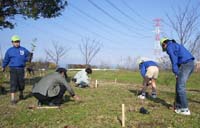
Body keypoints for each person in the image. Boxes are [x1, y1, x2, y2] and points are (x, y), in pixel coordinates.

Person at [160, 37, 195, 115]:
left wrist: (176, 72)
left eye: (164, 48)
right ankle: (178, 106)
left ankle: (185, 109)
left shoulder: (169, 47)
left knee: (180, 87)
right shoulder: (175, 45)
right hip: (191, 64)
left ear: (164, 44)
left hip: (185, 65)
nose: (165, 51)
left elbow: (174, 60)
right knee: (178, 85)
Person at [2, 35, 32, 105]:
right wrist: (3, 66)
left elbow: (28, 56)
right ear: (12, 42)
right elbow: (6, 59)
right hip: (13, 69)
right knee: (13, 83)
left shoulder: (23, 49)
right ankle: (12, 99)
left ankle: (21, 94)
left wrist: (29, 58)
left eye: (18, 41)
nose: (17, 43)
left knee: (21, 83)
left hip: (21, 69)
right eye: (15, 42)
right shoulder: (9, 51)